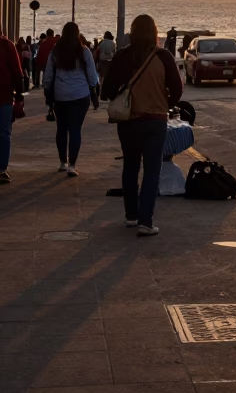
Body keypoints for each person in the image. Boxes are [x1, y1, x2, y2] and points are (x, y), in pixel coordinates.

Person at [102, 14, 183, 236]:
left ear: (132, 32)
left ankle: (131, 215)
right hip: (155, 120)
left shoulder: (122, 56)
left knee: (130, 166)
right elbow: (177, 89)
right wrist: (164, 102)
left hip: (128, 121)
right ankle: (146, 221)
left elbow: (106, 91)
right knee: (151, 170)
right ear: (155, 33)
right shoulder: (164, 57)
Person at [43, 22, 100, 177]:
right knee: (75, 130)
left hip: (60, 96)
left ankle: (62, 162)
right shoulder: (84, 51)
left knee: (61, 129)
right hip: (80, 96)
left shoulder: (56, 51)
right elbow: (92, 75)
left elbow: (48, 75)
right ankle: (72, 165)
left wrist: (48, 89)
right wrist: (94, 88)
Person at [0, 30, 25, 182]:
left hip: (5, 96)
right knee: (4, 133)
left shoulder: (7, 45)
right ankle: (1, 169)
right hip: (4, 97)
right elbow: (17, 71)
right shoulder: (7, 45)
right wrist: (20, 95)